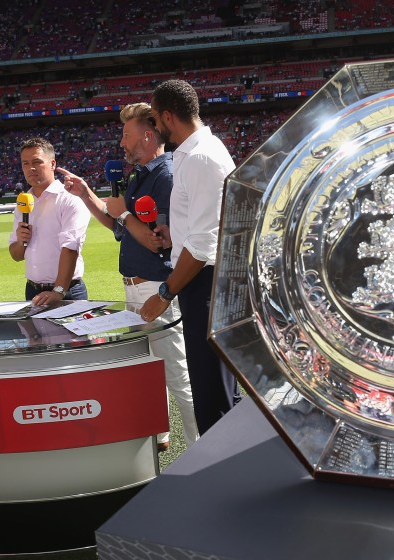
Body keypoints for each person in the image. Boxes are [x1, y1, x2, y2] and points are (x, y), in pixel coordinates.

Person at [60, 102, 199, 451]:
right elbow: (117, 225)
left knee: (177, 374)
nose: (121, 142)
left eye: (126, 134)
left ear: (148, 135)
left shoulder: (165, 176)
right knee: (151, 370)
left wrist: (124, 216)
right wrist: (87, 194)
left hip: (156, 287)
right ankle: (162, 434)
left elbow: (157, 242)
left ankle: (202, 446)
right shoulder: (141, 174)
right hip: (137, 287)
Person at [138, 79, 239, 435]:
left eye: (154, 117)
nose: (153, 125)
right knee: (208, 385)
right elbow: (199, 228)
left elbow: (202, 246)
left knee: (212, 391)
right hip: (201, 281)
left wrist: (164, 294)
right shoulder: (192, 153)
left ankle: (224, 476)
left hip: (206, 284)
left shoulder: (200, 157)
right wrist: (172, 235)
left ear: (168, 115)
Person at [9, 137, 90, 305]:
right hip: (32, 291)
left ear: (52, 164)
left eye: (37, 162)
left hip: (66, 291)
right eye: (25, 163)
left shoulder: (70, 198)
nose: (31, 168)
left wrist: (58, 291)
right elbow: (16, 255)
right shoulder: (23, 202)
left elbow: (70, 248)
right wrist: (21, 241)